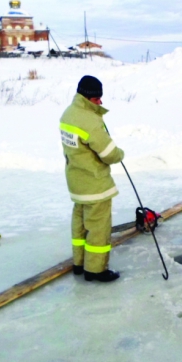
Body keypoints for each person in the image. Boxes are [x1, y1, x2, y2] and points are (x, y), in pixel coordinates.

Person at [59, 75, 125, 282]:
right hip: (95, 184)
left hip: (77, 181)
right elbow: (109, 153)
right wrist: (120, 153)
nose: (100, 102)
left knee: (79, 225)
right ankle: (95, 270)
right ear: (88, 98)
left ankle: (79, 263)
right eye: (97, 99)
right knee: (98, 228)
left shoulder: (68, 114)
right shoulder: (89, 120)